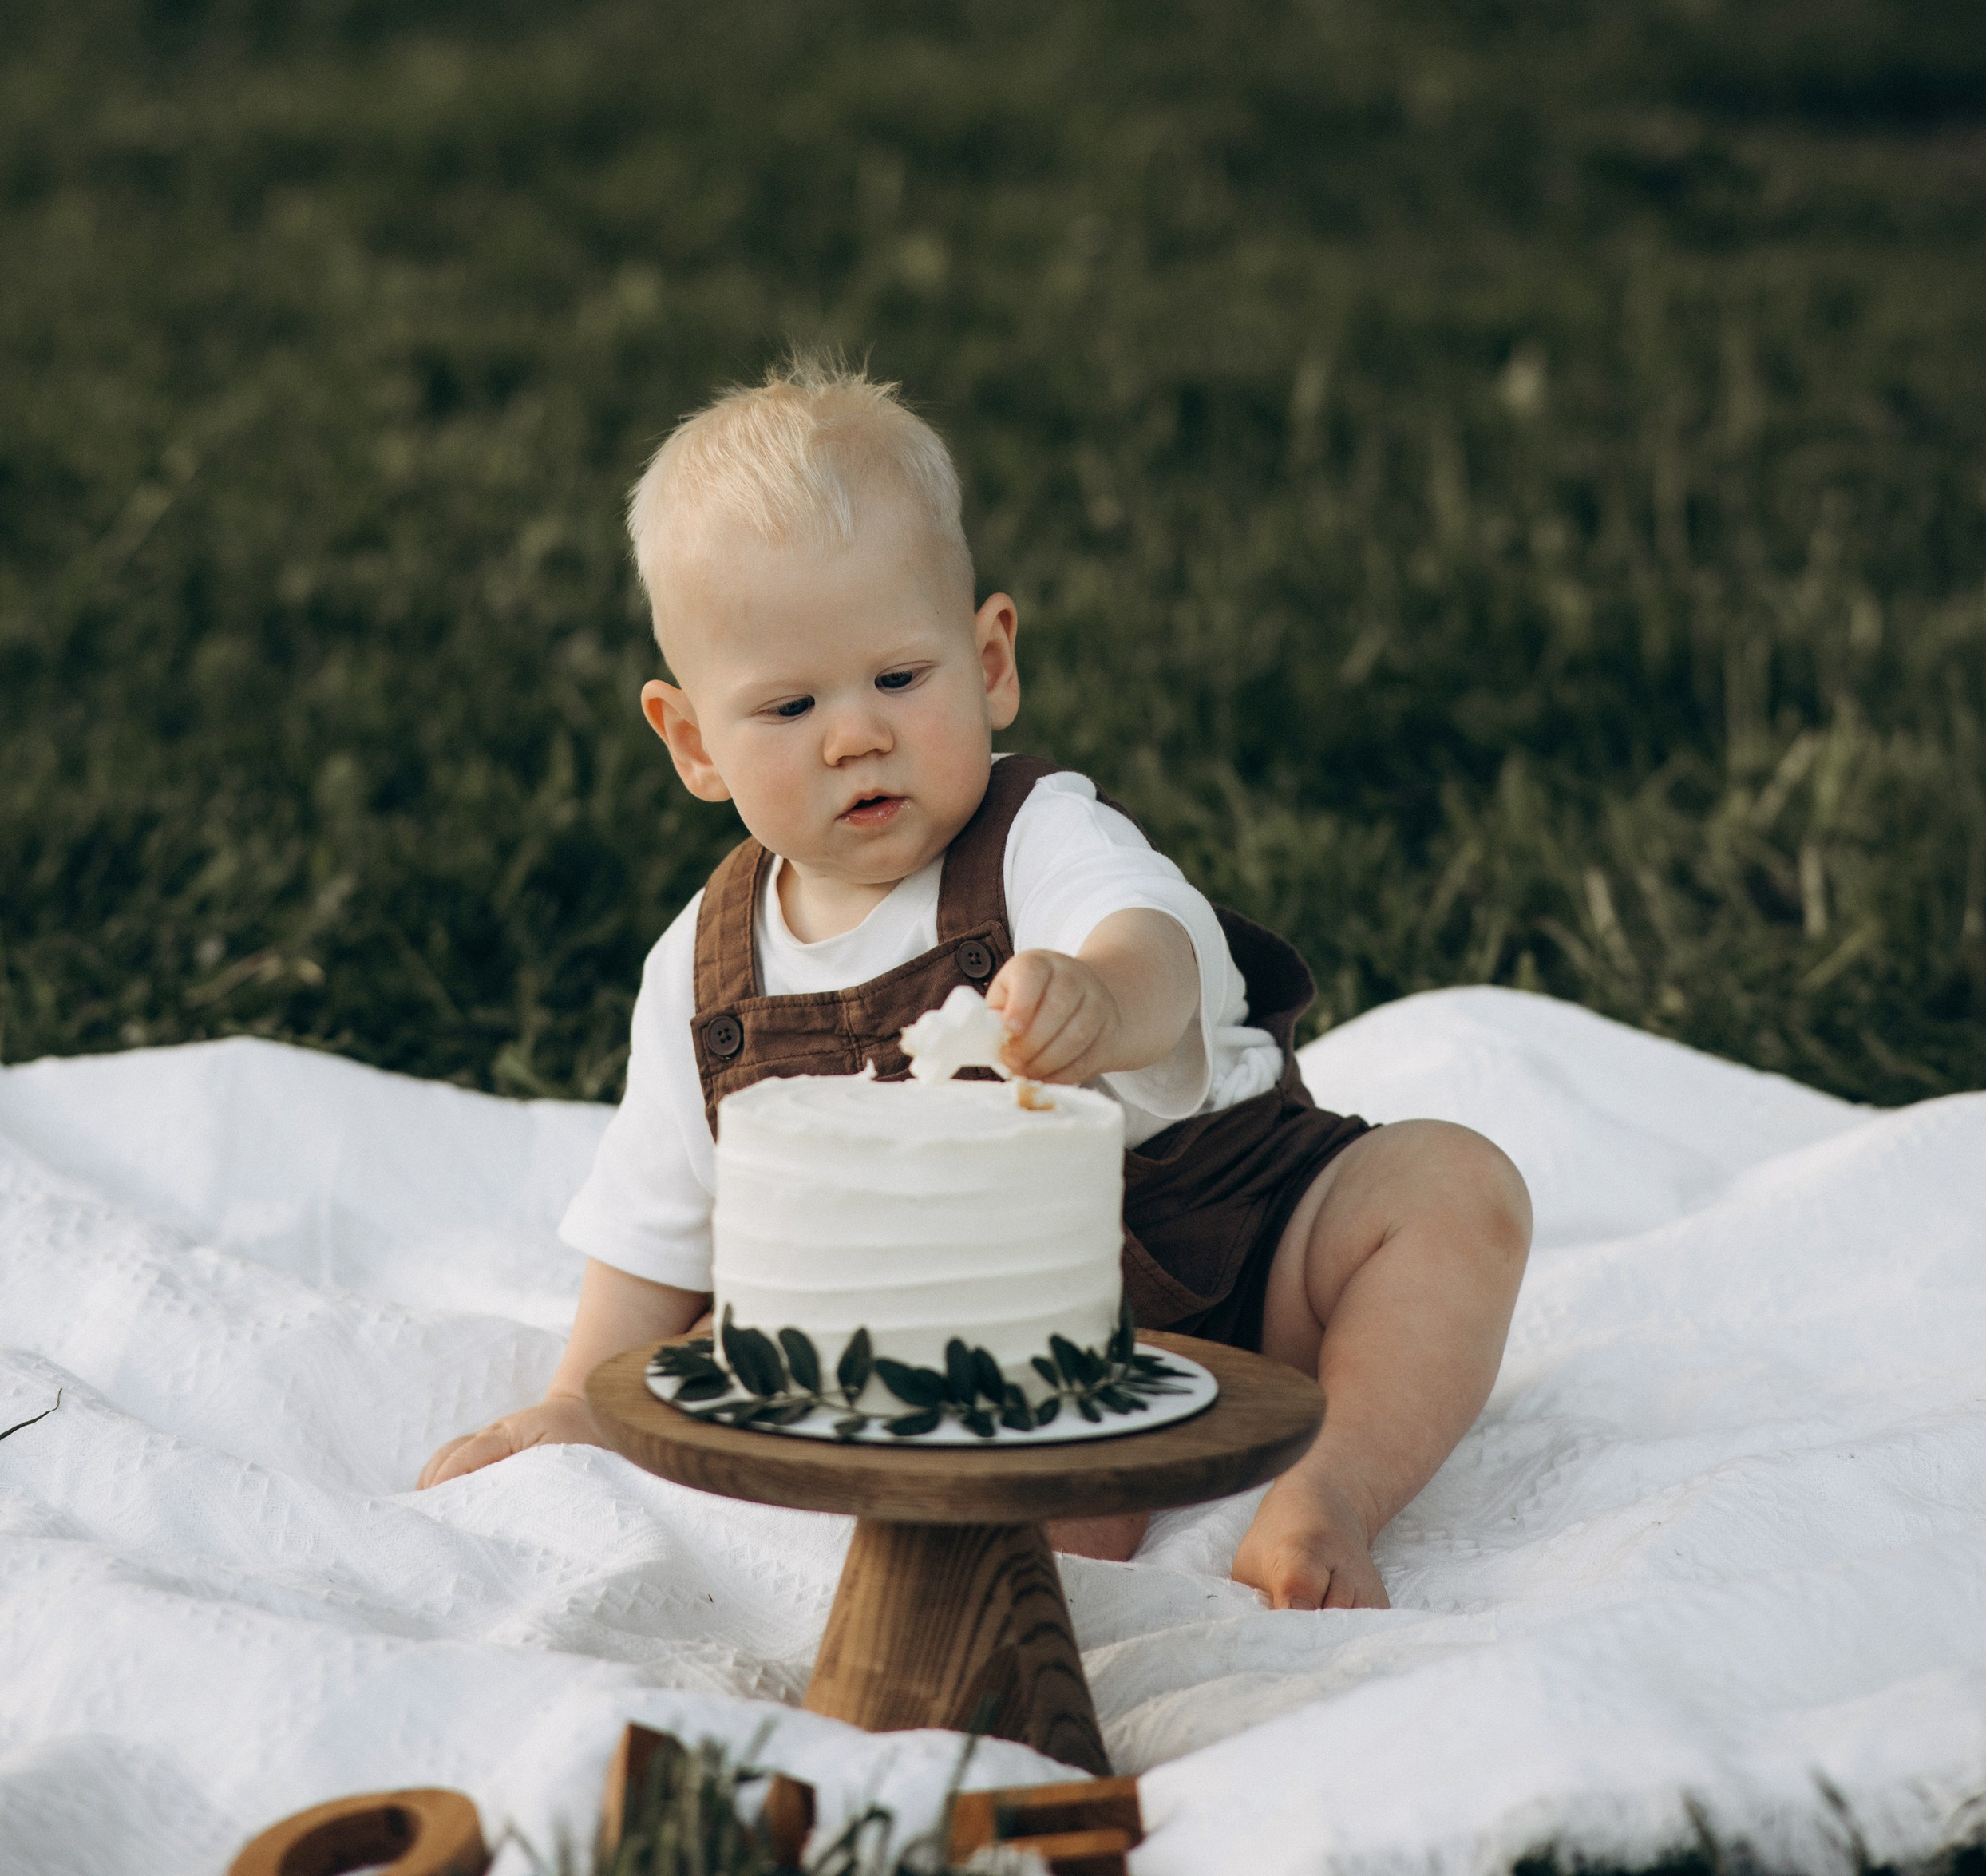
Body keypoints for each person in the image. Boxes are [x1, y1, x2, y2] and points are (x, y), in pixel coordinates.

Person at [418, 356, 1531, 1610]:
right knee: (1005, 1488)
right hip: (992, 1365)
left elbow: (1159, 936)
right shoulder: (702, 966)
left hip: (1228, 1257)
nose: (857, 735)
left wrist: (1103, 996)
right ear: (692, 743)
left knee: (1449, 1190)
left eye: (901, 678)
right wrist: (579, 1403)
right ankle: (997, 1587)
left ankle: (1326, 1491)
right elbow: (654, 1225)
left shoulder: (1034, 835)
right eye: (788, 706)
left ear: (990, 659)